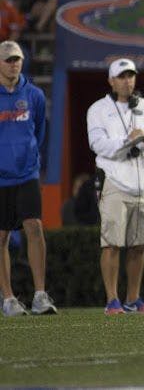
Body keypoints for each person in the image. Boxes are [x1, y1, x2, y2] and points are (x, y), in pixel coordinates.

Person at [86, 58, 144, 315]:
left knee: (139, 244)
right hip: (115, 181)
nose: (127, 80)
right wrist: (128, 140)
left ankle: (133, 299)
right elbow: (98, 145)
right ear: (111, 81)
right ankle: (112, 301)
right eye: (121, 76)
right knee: (111, 243)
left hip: (142, 182)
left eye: (131, 76)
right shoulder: (97, 109)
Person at [0, 40, 56, 316]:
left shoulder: (34, 95)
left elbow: (39, 134)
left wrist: (28, 159)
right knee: (1, 236)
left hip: (26, 174)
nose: (13, 64)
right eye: (8, 59)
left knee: (35, 227)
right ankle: (8, 298)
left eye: (17, 59)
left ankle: (40, 295)